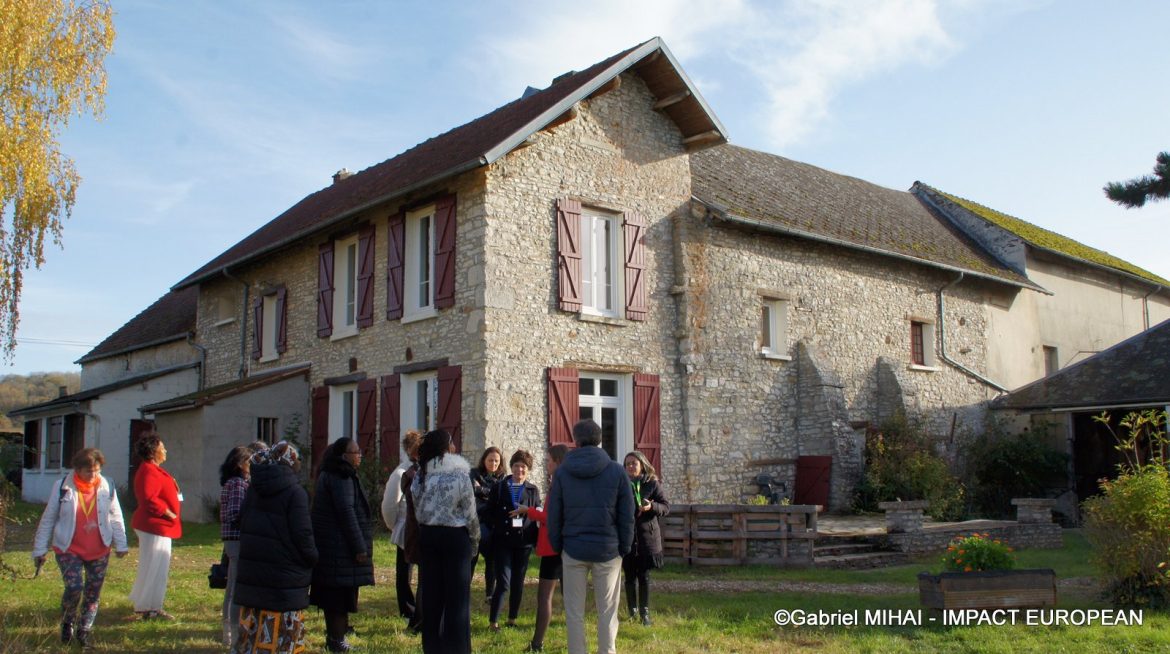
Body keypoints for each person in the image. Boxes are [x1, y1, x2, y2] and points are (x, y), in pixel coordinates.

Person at [547, 420, 635, 654]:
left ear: (575, 441)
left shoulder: (563, 472)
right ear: (599, 440)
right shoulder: (616, 470)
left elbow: (555, 513)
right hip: (607, 549)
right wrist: (625, 546)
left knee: (574, 612)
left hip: (573, 547)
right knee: (607, 611)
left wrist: (558, 545)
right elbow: (627, 513)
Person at [32, 448, 129, 647]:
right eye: (88, 471)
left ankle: (84, 631)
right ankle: (68, 623)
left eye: (97, 470)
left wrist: (121, 543)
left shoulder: (107, 486)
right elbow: (49, 519)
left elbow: (116, 516)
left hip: (99, 549)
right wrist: (40, 549)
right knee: (74, 587)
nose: (93, 475)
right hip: (69, 548)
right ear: (77, 469)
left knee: (93, 592)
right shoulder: (62, 487)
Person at [233, 441, 317, 654]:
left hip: (254, 570)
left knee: (252, 636)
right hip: (284, 576)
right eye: (296, 459)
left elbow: (241, 521)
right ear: (290, 462)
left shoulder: (254, 488)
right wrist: (312, 558)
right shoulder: (295, 493)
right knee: (280, 636)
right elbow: (303, 535)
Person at [411, 429, 478, 654]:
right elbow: (470, 513)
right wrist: (475, 540)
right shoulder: (459, 474)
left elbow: (417, 510)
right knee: (457, 601)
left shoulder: (421, 475)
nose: (454, 448)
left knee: (431, 597)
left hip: (428, 536)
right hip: (455, 537)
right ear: (446, 447)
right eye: (451, 443)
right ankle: (457, 649)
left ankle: (432, 648)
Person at [310, 437, 374, 653]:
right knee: (338, 598)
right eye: (355, 452)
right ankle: (336, 640)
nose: (359, 456)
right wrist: (359, 547)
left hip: (334, 547)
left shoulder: (333, 474)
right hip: (339, 549)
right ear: (343, 455)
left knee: (338, 597)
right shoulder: (340, 476)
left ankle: (337, 636)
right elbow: (346, 512)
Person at [519, 443, 569, 653]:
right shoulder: (566, 482)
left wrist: (529, 511)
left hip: (553, 547)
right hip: (564, 546)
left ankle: (537, 644)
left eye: (548, 460)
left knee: (544, 597)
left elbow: (553, 518)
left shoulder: (559, 484)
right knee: (570, 597)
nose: (545, 464)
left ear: (558, 461)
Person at [129, 432, 181, 620]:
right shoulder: (148, 471)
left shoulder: (154, 469)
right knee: (154, 566)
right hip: (155, 525)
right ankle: (147, 607)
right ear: (153, 451)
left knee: (158, 566)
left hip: (161, 526)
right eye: (162, 447)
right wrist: (168, 513)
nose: (165, 450)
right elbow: (149, 499)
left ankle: (151, 605)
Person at [486, 449, 540, 631]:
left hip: (524, 542)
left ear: (528, 469)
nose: (519, 470)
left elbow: (537, 512)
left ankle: (512, 619)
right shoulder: (500, 487)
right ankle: (493, 621)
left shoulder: (533, 490)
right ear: (511, 467)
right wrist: (499, 525)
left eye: (523, 467)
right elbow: (489, 512)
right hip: (503, 541)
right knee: (504, 582)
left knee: (518, 582)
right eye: (516, 466)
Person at [621, 451, 670, 626]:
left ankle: (644, 613)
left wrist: (652, 507)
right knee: (629, 577)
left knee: (643, 576)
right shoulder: (622, 484)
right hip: (627, 538)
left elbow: (665, 507)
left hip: (646, 538)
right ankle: (632, 611)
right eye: (627, 464)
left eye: (634, 463)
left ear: (642, 464)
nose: (630, 466)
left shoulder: (652, 484)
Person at [380, 429, 423, 626]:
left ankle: (420, 607)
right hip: (406, 526)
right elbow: (389, 506)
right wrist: (395, 526)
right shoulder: (400, 473)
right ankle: (407, 608)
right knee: (404, 571)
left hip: (423, 526)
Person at [219, 445, 253, 646]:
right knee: (235, 587)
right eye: (249, 462)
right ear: (241, 464)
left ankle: (229, 632)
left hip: (231, 539)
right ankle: (232, 633)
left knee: (232, 585)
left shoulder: (232, 483)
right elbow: (234, 514)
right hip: (237, 538)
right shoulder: (238, 484)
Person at [470, 446, 504, 602]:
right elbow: (474, 491)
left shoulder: (502, 478)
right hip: (477, 520)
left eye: (497, 460)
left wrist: (484, 491)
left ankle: (489, 594)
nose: (494, 463)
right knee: (472, 557)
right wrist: (492, 493)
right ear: (484, 460)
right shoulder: (474, 474)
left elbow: (502, 496)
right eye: (490, 460)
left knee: (492, 559)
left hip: (493, 523)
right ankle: (463, 591)